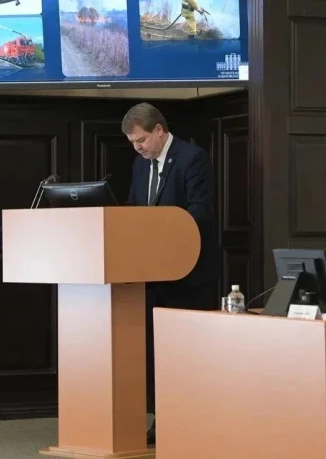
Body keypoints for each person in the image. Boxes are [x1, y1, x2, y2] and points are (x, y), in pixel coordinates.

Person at [122, 102, 221, 444]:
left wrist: (163, 231)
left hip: (188, 274)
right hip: (151, 276)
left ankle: (190, 421)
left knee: (186, 353)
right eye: (133, 143)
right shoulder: (140, 164)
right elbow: (135, 208)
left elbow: (201, 211)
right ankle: (161, 417)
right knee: (155, 353)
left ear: (159, 130)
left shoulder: (193, 158)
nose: (138, 148)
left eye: (141, 140)